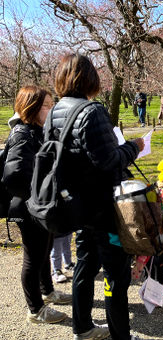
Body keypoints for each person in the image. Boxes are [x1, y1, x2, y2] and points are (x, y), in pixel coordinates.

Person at [50, 53, 145, 340]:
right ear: (90, 79)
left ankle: (83, 327)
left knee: (85, 264)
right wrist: (134, 146)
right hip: (104, 207)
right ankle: (121, 336)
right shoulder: (92, 112)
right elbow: (109, 160)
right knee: (116, 273)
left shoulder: (55, 111)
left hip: (77, 206)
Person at [2, 85, 72, 324]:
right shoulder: (23, 134)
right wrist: (39, 197)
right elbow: (14, 177)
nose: (51, 110)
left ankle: (48, 291)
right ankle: (35, 310)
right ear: (31, 107)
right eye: (46, 106)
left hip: (40, 207)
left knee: (45, 250)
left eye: (52, 105)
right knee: (33, 257)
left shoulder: (38, 131)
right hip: (28, 208)